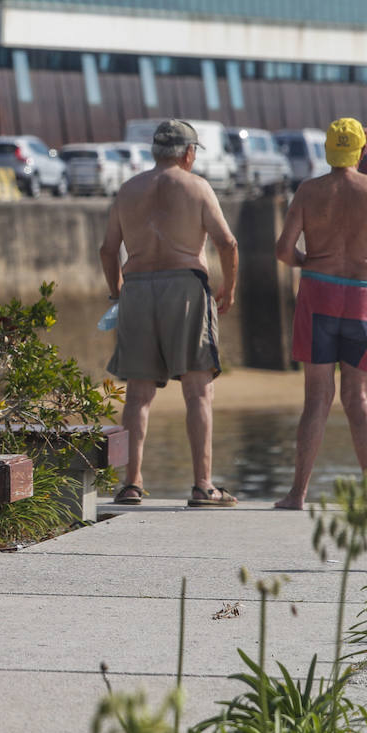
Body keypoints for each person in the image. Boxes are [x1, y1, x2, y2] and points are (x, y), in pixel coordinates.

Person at [272, 119, 367, 510]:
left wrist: (311, 261)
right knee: (359, 399)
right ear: (359, 152)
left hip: (318, 293)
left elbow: (284, 251)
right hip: (363, 296)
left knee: (316, 399)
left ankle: (297, 493)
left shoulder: (308, 192)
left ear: (328, 151)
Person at [100, 119, 241, 508]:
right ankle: (202, 485)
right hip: (185, 288)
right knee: (198, 390)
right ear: (189, 153)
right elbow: (227, 242)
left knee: (138, 395)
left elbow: (108, 250)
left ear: (154, 152)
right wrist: (228, 287)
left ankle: (131, 483)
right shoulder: (197, 187)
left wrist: (117, 294)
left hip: (138, 288)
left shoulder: (129, 190)